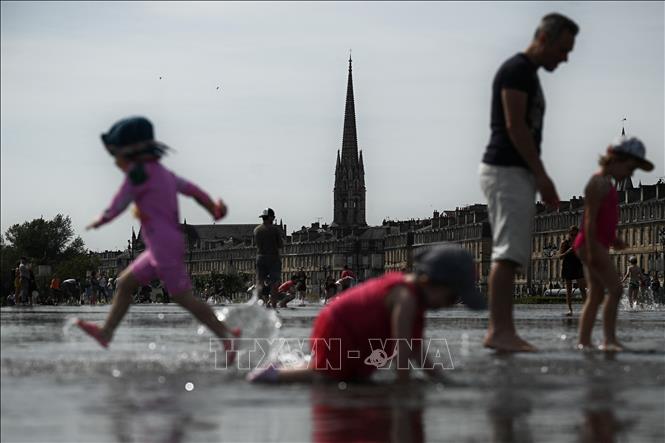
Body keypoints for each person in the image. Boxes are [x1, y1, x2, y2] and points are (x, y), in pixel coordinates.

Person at [74, 116, 239, 352]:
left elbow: (120, 202)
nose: (115, 162)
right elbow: (193, 190)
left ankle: (227, 336)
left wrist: (101, 220)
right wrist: (213, 208)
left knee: (184, 298)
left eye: (116, 155)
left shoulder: (138, 175)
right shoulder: (165, 174)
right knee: (124, 283)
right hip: (162, 246)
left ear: (130, 151)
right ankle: (106, 332)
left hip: (163, 246)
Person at [478, 13, 579, 352]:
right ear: (544, 39)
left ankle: (503, 329)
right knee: (507, 253)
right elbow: (515, 126)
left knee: (512, 253)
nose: (565, 57)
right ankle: (500, 330)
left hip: (514, 170)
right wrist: (541, 175)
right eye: (563, 48)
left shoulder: (528, 74)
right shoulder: (517, 70)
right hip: (506, 167)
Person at [247, 246, 486, 383]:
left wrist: (438, 377)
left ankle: (288, 366)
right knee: (328, 374)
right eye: (452, 297)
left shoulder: (415, 299)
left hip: (357, 332)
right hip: (339, 326)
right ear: (432, 281)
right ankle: (272, 375)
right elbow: (403, 349)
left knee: (353, 373)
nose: (451, 305)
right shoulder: (406, 296)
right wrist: (403, 387)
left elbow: (415, 346)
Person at [574, 135, 654, 352]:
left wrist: (613, 238)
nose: (630, 173)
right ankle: (608, 339)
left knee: (597, 294)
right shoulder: (598, 183)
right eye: (630, 168)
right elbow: (589, 219)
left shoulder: (605, 184)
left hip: (594, 243)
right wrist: (592, 248)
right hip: (591, 244)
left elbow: (601, 220)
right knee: (617, 289)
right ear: (615, 159)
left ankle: (585, 340)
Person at [254, 208, 284, 308]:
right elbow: (280, 245)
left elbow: (257, 244)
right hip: (273, 258)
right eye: (273, 217)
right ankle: (274, 306)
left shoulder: (257, 230)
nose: (274, 219)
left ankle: (257, 305)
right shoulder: (275, 229)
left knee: (259, 282)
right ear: (270, 217)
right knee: (274, 283)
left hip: (260, 257)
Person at [559, 226, 586, 316]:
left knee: (583, 288)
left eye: (575, 235)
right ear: (569, 234)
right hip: (568, 266)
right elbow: (560, 257)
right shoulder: (565, 243)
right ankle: (570, 309)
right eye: (571, 234)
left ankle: (586, 308)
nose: (573, 236)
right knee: (569, 290)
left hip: (578, 265)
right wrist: (569, 251)